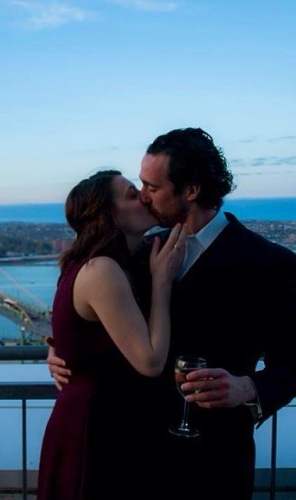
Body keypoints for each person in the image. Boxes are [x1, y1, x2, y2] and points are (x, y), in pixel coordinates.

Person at [47, 128, 296, 499]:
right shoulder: (134, 252)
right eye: (138, 187)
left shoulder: (271, 264)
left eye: (151, 187)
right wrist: (61, 351)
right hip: (125, 454)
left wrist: (249, 388)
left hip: (212, 461)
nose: (143, 196)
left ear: (190, 190)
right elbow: (92, 317)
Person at [36, 169, 186, 499]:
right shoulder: (102, 269)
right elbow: (149, 362)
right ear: (108, 214)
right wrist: (162, 282)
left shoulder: (87, 264)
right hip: (95, 427)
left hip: (99, 420)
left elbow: (77, 331)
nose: (145, 198)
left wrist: (57, 346)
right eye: (133, 194)